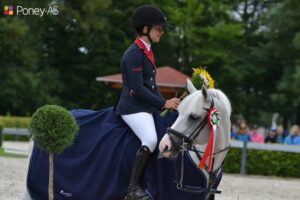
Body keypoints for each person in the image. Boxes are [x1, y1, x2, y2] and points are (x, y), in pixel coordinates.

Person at [115, 5, 180, 199]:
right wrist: (162, 104)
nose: (162, 32)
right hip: (132, 107)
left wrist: (167, 103)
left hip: (144, 106)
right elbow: (138, 89)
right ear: (145, 29)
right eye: (159, 29)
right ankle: (133, 189)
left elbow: (151, 86)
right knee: (151, 140)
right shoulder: (134, 53)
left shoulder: (147, 51)